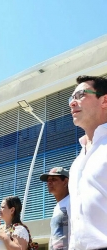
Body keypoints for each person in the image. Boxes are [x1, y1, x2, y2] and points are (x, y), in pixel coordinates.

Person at [68, 75, 107, 249]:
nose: (72, 103)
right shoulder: (77, 163)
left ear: (104, 100)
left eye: (80, 95)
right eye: (71, 98)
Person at [40, 167, 70, 250]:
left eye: (53, 179)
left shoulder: (72, 202)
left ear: (65, 182)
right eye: (48, 180)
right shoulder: (57, 208)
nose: (49, 183)